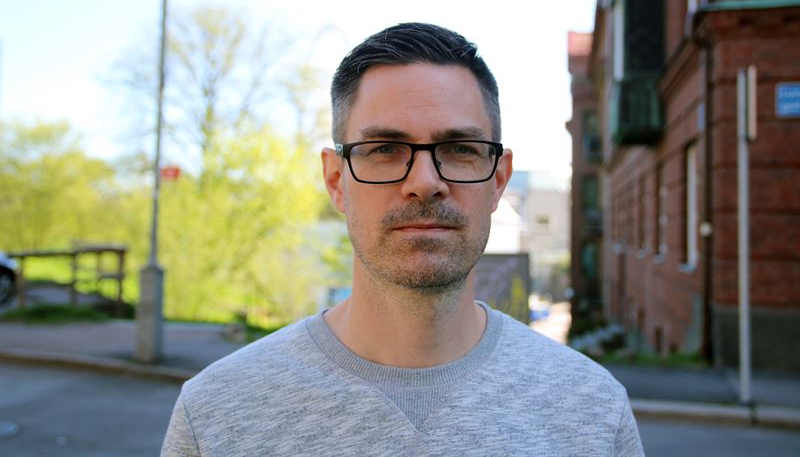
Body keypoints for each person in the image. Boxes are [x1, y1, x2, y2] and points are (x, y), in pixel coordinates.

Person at [161, 23, 644, 456]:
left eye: (459, 148)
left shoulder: (593, 409)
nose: (425, 182)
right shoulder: (216, 414)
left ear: (499, 180)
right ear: (336, 180)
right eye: (386, 149)